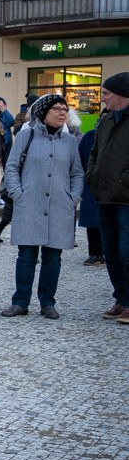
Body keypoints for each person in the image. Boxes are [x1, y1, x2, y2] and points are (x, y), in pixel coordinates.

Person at [0, 94, 84, 320]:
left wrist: (73, 197)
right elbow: (11, 168)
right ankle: (20, 302)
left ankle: (48, 302)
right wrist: (18, 194)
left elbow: (77, 172)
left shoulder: (69, 141)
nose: (62, 113)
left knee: (53, 258)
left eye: (65, 109)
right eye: (57, 109)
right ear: (43, 113)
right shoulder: (25, 136)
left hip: (60, 205)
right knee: (26, 257)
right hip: (29, 204)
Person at [86, 72, 129, 325]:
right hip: (104, 196)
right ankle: (121, 300)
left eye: (107, 94)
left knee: (126, 252)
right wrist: (92, 176)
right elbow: (94, 152)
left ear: (123, 95)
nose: (102, 98)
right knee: (110, 251)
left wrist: (124, 180)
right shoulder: (106, 120)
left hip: (125, 198)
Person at [78, 113, 104, 266]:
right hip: (91, 184)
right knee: (92, 222)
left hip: (112, 186)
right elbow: (79, 159)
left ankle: (106, 252)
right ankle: (94, 253)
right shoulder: (89, 136)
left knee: (107, 221)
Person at [0, 97, 14, 169]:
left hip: (7, 143)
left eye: (2, 104)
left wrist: (5, 111)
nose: (0, 106)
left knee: (7, 164)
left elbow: (11, 122)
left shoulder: (6, 114)